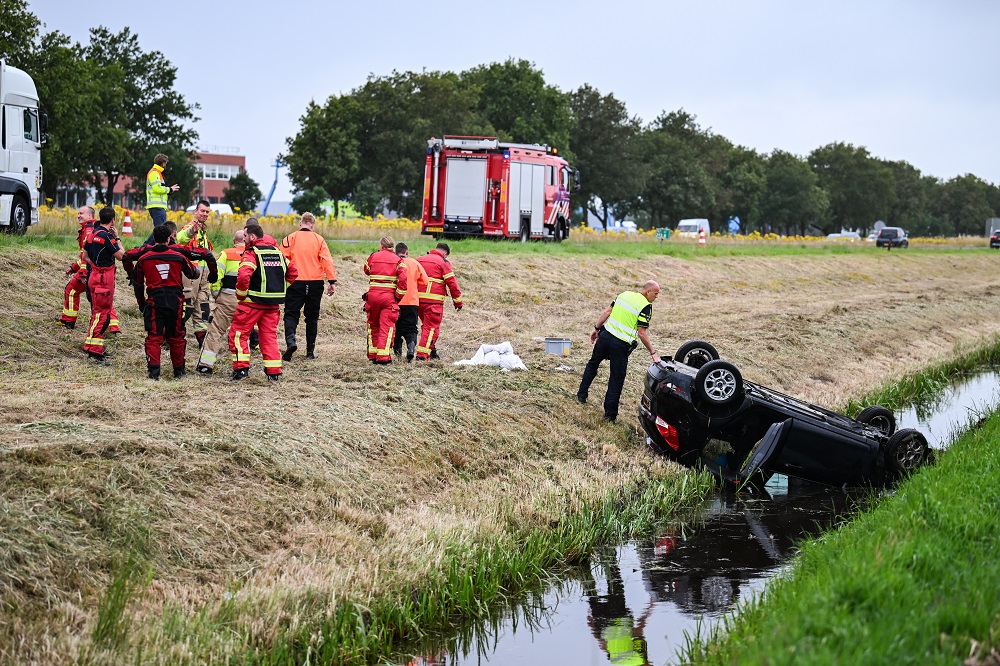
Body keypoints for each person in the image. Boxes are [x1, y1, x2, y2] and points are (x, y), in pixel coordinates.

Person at [576, 281, 661, 422]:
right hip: (620, 345)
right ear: (647, 292)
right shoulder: (646, 306)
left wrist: (596, 329)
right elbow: (641, 333)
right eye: (656, 293)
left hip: (605, 337)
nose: (657, 297)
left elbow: (607, 312)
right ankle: (610, 415)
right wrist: (653, 353)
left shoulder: (624, 295)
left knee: (592, 364)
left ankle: (581, 395)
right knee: (616, 378)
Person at [229, 221, 298, 381]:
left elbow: (244, 275)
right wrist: (279, 288)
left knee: (238, 335)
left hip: (251, 303)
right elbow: (293, 272)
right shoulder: (277, 252)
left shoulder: (251, 253)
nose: (243, 239)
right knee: (269, 337)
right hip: (272, 305)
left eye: (245, 236)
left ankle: (241, 371)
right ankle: (274, 372)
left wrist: (241, 295)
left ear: (252, 236)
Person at [131, 225, 199, 380]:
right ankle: (179, 372)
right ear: (169, 239)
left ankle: (154, 373)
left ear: (154, 239)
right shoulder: (178, 256)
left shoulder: (143, 258)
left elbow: (138, 283)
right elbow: (193, 273)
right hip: (176, 301)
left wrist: (141, 303)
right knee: (176, 336)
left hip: (155, 302)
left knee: (154, 337)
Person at [278, 212, 337, 361]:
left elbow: (281, 259)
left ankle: (291, 341)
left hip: (295, 282)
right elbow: (327, 261)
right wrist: (331, 281)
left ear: (300, 223)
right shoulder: (319, 240)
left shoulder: (290, 238)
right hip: (315, 283)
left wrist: (280, 279)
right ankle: (310, 351)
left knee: (291, 314)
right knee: (312, 317)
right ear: (312, 225)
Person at [195, 230, 246, 374]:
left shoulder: (226, 254)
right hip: (248, 302)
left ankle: (206, 365)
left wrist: (216, 294)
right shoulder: (253, 254)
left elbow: (216, 276)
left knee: (215, 331)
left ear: (234, 240)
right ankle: (242, 368)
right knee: (241, 334)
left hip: (228, 300)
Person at [82, 206, 125, 362]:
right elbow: (122, 256)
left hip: (93, 275)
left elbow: (85, 255)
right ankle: (95, 350)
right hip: (104, 279)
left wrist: (94, 265)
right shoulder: (107, 237)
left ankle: (91, 345)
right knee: (102, 314)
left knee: (96, 312)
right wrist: (118, 238)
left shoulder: (92, 233)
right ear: (113, 220)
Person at [176, 200, 215, 347]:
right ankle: (171, 335)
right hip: (191, 275)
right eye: (202, 211)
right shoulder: (191, 227)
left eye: (207, 212)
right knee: (187, 306)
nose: (205, 214)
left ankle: (201, 340)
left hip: (203, 276)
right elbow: (180, 238)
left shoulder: (203, 231)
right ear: (196, 212)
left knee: (203, 307)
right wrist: (192, 231)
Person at [415, 242, 463, 361]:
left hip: (416, 301)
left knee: (425, 327)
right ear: (445, 253)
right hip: (433, 302)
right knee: (431, 328)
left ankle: (431, 351)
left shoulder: (419, 259)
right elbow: (452, 283)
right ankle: (422, 355)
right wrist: (458, 302)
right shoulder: (443, 262)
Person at [363, 236, 407, 364]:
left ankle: (372, 355)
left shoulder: (373, 257)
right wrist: (398, 296)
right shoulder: (399, 261)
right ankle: (383, 357)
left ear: (381, 246)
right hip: (388, 298)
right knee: (386, 327)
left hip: (372, 297)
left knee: (373, 325)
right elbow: (403, 281)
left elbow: (366, 270)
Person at [58, 205, 96, 329]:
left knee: (71, 290)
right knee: (101, 299)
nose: (78, 216)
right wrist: (73, 268)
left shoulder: (88, 232)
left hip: (90, 272)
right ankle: (113, 327)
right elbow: (84, 258)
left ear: (90, 216)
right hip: (98, 272)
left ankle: (68, 321)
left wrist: (83, 274)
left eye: (81, 213)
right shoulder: (92, 229)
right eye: (78, 213)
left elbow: (88, 257)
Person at [391, 242, 428, 362]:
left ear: (396, 252)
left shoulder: (394, 262)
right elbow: (425, 281)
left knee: (395, 327)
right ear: (407, 252)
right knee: (411, 328)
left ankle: (397, 353)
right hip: (412, 302)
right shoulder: (414, 263)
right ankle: (411, 348)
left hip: (395, 300)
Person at [145, 153, 179, 229]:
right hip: (157, 206)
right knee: (160, 230)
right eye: (166, 163)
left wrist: (169, 191)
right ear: (163, 163)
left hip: (157, 206)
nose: (166, 165)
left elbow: (159, 189)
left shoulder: (156, 173)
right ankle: (147, 242)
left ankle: (150, 242)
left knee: (160, 230)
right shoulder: (155, 173)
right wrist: (169, 189)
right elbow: (157, 188)